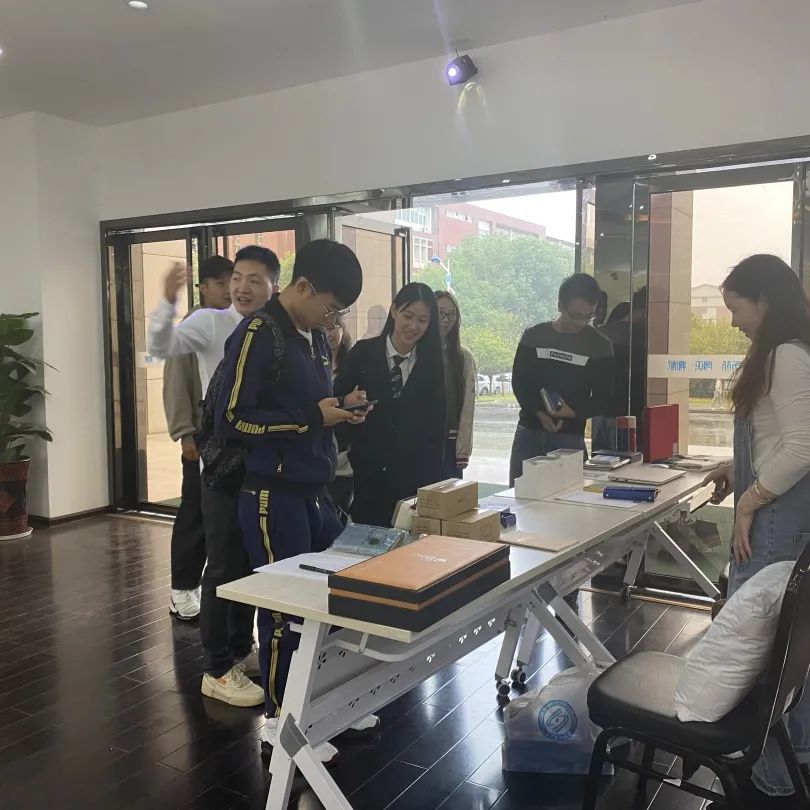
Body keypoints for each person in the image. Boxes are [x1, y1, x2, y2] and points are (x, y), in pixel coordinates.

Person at [215, 240, 373, 764]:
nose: (333, 319)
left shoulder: (313, 337)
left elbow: (306, 406)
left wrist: (340, 406)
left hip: (312, 490)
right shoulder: (258, 333)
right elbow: (232, 419)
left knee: (333, 598)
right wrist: (312, 419)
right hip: (270, 494)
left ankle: (326, 704)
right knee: (286, 611)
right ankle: (282, 724)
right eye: (331, 308)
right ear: (302, 286)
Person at [148, 245, 281, 709]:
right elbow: (159, 348)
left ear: (274, 286)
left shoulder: (276, 331)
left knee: (249, 563)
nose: (241, 288)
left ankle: (241, 650)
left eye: (254, 280)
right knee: (223, 563)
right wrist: (167, 301)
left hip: (262, 467)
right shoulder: (210, 322)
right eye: (236, 278)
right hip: (222, 467)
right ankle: (216, 667)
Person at [704, 254, 810, 809]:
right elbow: (778, 438)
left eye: (737, 308)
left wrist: (748, 501)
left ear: (765, 301)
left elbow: (803, 447)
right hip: (779, 519)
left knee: (766, 654)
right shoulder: (787, 352)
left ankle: (770, 778)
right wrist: (736, 469)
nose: (733, 320)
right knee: (787, 648)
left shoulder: (786, 356)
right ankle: (791, 766)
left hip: (774, 525)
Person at [335, 282, 446, 528]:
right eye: (408, 316)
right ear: (394, 310)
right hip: (368, 474)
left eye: (422, 320)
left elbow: (436, 427)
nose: (413, 326)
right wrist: (350, 414)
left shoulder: (432, 364)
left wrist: (433, 487)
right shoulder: (363, 353)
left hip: (414, 478)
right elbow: (337, 401)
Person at [162, 255, 233, 621]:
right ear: (203, 287)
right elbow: (176, 384)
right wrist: (185, 434)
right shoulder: (192, 327)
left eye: (232, 282)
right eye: (221, 283)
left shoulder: (234, 324)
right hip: (200, 440)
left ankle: (207, 588)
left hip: (229, 439)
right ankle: (182, 590)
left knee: (217, 517)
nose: (229, 289)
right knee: (194, 513)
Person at [509, 274, 614, 486]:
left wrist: (572, 411)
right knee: (522, 495)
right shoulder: (534, 336)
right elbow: (520, 382)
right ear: (560, 305)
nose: (582, 322)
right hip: (530, 430)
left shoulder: (599, 345)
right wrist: (539, 413)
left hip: (570, 436)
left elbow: (605, 396)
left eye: (589, 316)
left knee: (570, 497)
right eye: (576, 316)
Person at [435, 291, 476, 478]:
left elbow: (468, 406)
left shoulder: (463, 357)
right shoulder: (415, 351)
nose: (446, 320)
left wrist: (463, 449)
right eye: (440, 313)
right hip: (418, 443)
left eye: (451, 315)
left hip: (449, 443)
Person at [324, 315, 354, 516]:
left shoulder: (352, 365)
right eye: (323, 328)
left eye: (333, 327)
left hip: (344, 461)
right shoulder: (311, 364)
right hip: (317, 456)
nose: (329, 334)